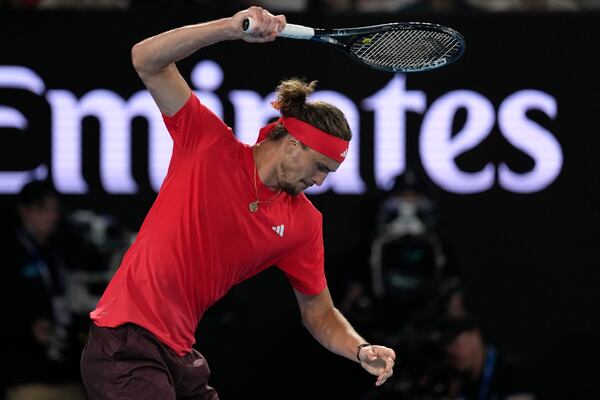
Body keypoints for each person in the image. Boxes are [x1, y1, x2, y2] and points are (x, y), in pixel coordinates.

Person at [80, 6, 396, 399]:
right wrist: (229, 29)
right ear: (293, 145)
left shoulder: (303, 224)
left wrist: (359, 348)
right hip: (125, 343)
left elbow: (319, 312)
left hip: (179, 353)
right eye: (320, 167)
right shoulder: (209, 145)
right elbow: (146, 59)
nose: (318, 181)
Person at [0, 180, 86, 400]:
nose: (51, 216)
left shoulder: (59, 250)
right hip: (26, 374)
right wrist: (26, 328)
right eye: (43, 208)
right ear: (23, 210)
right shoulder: (8, 252)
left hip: (67, 371)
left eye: (54, 209)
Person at [436, 317, 536, 400]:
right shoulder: (458, 380)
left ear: (475, 336)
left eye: (456, 344)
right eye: (446, 349)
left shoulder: (511, 372)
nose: (452, 353)